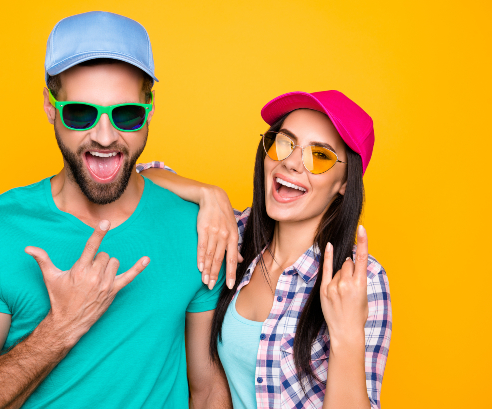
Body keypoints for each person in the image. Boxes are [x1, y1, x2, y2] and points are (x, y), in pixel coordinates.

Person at [0, 11, 231, 409]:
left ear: (149, 109)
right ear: (50, 107)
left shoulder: (197, 228)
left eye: (125, 114)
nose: (104, 136)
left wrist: (211, 195)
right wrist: (61, 327)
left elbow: (206, 391)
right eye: (80, 113)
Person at [139, 90, 392, 408]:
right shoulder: (233, 234)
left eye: (320, 156)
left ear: (344, 184)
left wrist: (347, 337)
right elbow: (141, 178)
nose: (291, 162)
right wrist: (208, 193)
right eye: (284, 143)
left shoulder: (361, 280)